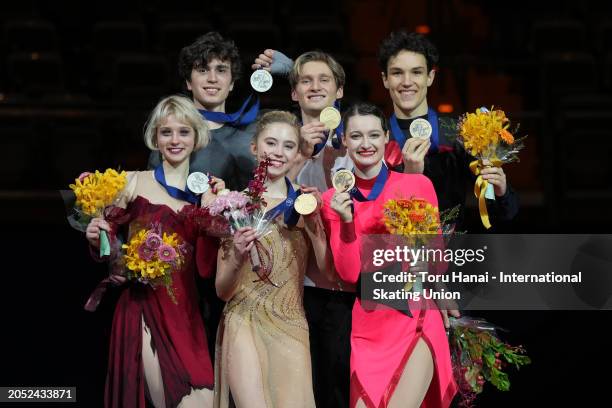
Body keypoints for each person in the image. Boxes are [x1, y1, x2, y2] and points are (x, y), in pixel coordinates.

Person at [86, 95, 222, 408]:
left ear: (196, 136)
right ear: (154, 138)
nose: (175, 140)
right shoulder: (130, 183)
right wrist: (98, 240)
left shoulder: (210, 190)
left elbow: (208, 268)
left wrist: (215, 215)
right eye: (166, 132)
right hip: (142, 309)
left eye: (183, 131)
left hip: (188, 315)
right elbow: (111, 257)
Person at [321, 102, 459, 408]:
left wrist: (412, 238)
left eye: (373, 135)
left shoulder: (416, 184)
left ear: (387, 138)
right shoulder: (334, 199)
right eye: (356, 136)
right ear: (344, 140)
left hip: (415, 317)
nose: (365, 144)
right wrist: (346, 223)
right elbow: (348, 274)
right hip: (368, 326)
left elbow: (436, 264)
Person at [253, 50, 355, 407]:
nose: (315, 87)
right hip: (295, 290)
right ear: (293, 93)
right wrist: (300, 155)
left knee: (341, 387)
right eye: (305, 81)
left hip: (347, 290)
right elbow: (263, 209)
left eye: (324, 80)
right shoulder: (280, 145)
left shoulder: (360, 139)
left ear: (339, 91)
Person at [214, 111, 329, 408]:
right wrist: (238, 255)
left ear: (297, 154)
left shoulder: (305, 204)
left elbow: (328, 272)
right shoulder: (234, 206)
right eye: (271, 143)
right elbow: (223, 291)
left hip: (290, 323)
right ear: (254, 148)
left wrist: (317, 229)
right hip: (243, 321)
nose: (278, 152)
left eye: (288, 146)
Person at [378, 30, 518, 231]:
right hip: (390, 255)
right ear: (385, 79)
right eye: (397, 73)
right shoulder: (375, 137)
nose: (407, 81)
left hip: (451, 255)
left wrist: (500, 190)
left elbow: (504, 214)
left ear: (430, 77)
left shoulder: (459, 133)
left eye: (416, 72)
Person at [149, 32, 256, 191]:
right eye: (203, 70)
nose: (212, 78)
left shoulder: (252, 134)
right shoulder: (171, 139)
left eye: (221, 70)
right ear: (188, 82)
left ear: (232, 82)